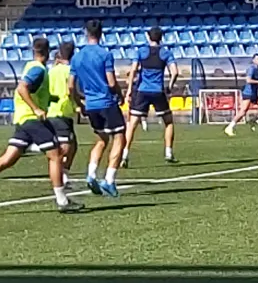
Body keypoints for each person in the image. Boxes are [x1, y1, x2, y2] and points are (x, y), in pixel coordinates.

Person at [0, 38, 84, 214]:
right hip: (31, 119)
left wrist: (49, 99)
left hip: (22, 118)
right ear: (48, 52)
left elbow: (30, 90)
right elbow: (22, 88)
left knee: (8, 158)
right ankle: (62, 200)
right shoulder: (38, 69)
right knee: (56, 155)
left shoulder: (30, 66)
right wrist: (36, 108)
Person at [69, 19, 125, 197]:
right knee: (120, 138)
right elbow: (110, 81)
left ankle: (91, 174)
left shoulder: (77, 57)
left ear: (86, 33)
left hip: (91, 104)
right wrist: (120, 94)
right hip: (106, 102)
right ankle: (109, 179)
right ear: (101, 33)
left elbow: (70, 85)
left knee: (101, 139)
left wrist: (79, 103)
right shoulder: (105, 54)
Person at [123, 26, 178, 166]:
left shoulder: (141, 52)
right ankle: (168, 152)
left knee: (132, 124)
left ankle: (124, 154)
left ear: (148, 37)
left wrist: (129, 89)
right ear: (161, 37)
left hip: (142, 90)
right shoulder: (166, 53)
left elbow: (133, 70)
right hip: (158, 91)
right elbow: (175, 72)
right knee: (168, 122)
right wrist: (170, 87)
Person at [47, 41, 79, 186]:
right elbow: (71, 89)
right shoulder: (71, 70)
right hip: (62, 110)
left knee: (73, 145)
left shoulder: (51, 70)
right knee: (64, 148)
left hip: (53, 110)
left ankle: (63, 174)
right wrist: (79, 103)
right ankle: (60, 176)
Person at [225, 54, 258, 137]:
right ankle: (229, 127)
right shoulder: (251, 69)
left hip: (254, 94)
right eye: (257, 59)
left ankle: (253, 120)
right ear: (253, 60)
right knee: (243, 111)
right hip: (248, 93)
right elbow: (248, 80)